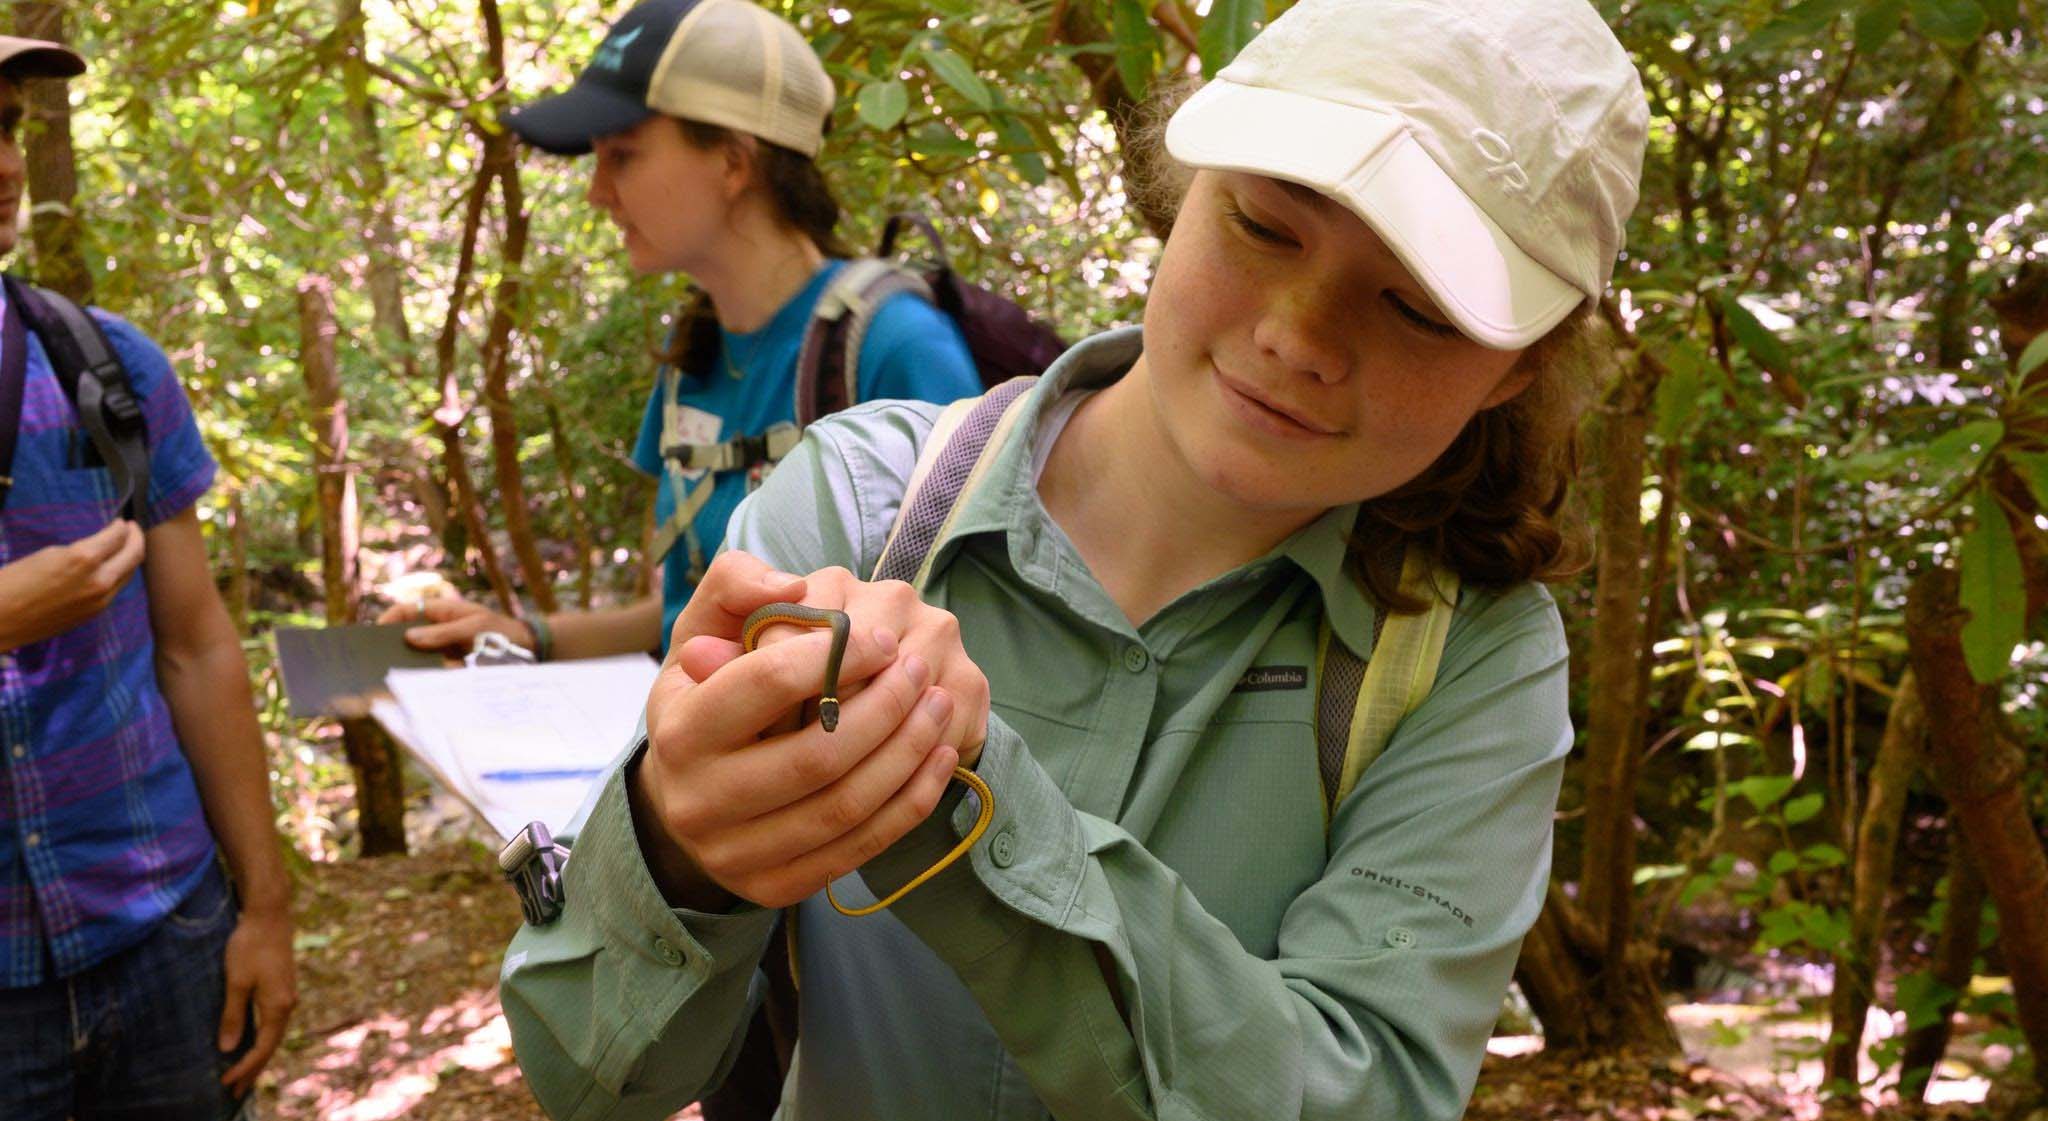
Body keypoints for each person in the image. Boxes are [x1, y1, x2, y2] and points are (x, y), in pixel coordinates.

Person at [501, 0, 1648, 1117]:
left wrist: (965, 791)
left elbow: (1366, 1087)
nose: (1296, 335)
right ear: (1180, 191)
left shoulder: (1460, 656)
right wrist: (676, 843)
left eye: (1415, 305)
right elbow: (594, 1079)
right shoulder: (861, 504)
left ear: (1509, 368)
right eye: (1262, 226)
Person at [383, 0, 981, 662]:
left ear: (733, 162)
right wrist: (527, 636)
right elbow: (682, 617)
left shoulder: (893, 346)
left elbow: (974, 629)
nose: (597, 192)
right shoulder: (690, 357)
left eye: (623, 155)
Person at [0, 34, 296, 1120]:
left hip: (165, 939)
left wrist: (263, 907)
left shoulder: (107, 366)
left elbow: (198, 643)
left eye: (5, 127)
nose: (3, 165)